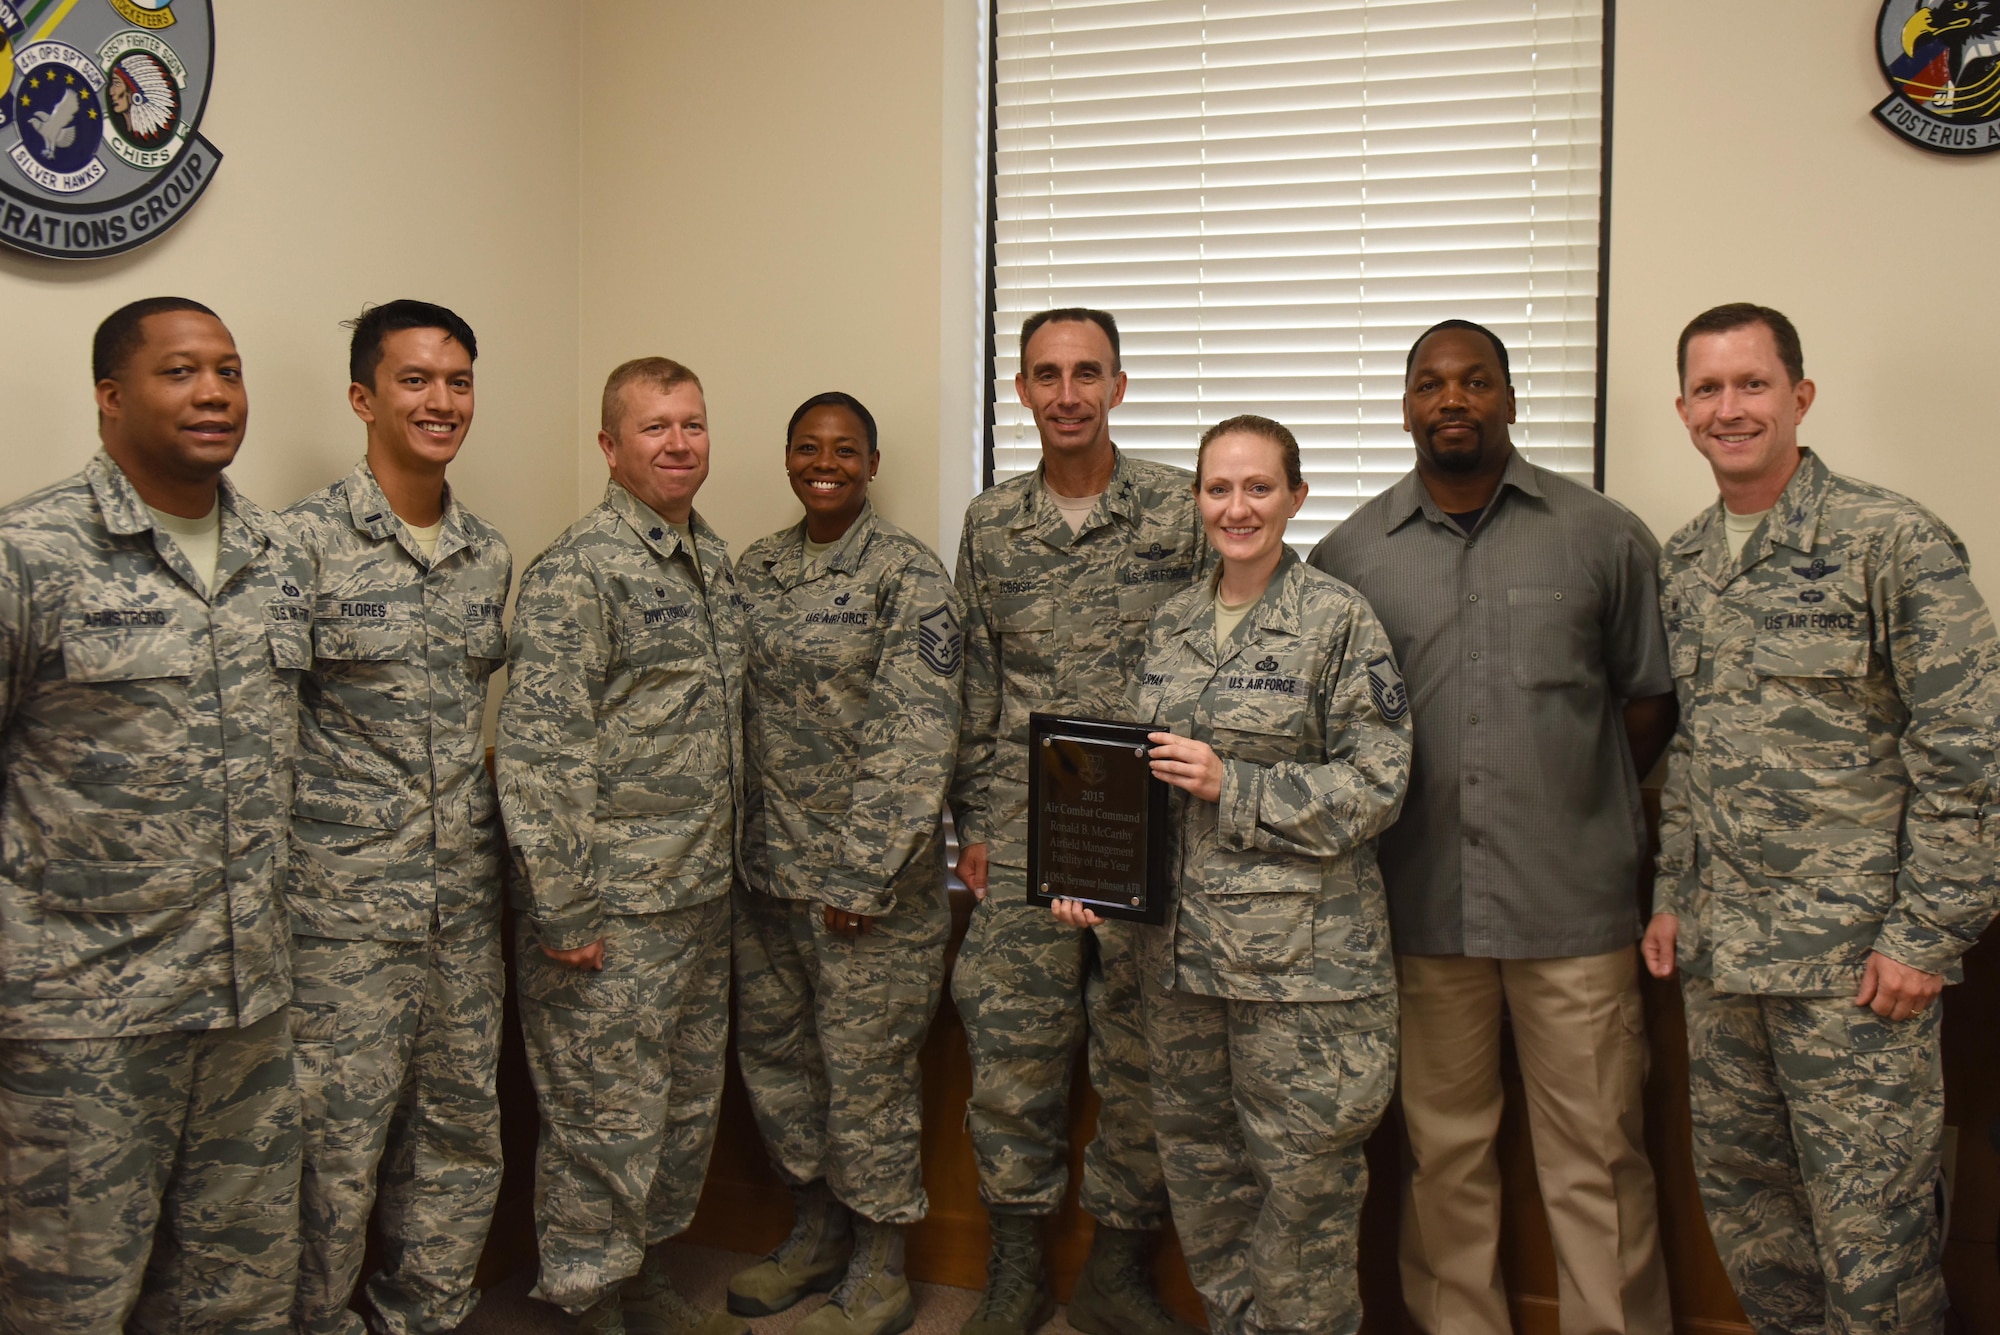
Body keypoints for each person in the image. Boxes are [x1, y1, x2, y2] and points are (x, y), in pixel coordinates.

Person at [1309, 320, 1678, 1334]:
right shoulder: (1348, 557)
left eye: (1474, 381)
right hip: (1420, 909)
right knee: (1444, 1156)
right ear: (1405, 408)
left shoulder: (1600, 536)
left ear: (1509, 398)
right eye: (1429, 385)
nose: (1451, 400)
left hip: (1573, 910)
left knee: (1598, 1158)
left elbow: (1646, 702)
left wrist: (1570, 797)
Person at [1642, 302, 2000, 1333]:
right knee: (1759, 1241)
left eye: (1750, 384)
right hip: (1725, 968)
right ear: (1680, 409)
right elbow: (1697, 744)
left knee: (1874, 1253)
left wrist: (1924, 936)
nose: (1728, 408)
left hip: (1856, 977)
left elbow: (1967, 751)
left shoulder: (1889, 542)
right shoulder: (1685, 561)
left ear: (1798, 395)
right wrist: (1672, 897)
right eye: (1706, 389)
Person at [1055, 414, 1410, 1334]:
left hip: (1301, 976)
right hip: (1177, 967)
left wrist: (1236, 784)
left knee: (1302, 1196)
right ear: (1197, 500)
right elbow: (1133, 780)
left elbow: (1379, 783)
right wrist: (1095, 877)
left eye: (1259, 488)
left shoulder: (1337, 621)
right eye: (1219, 488)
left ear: (1295, 496)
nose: (1238, 507)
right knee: (1204, 1179)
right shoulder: (1171, 624)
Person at [0, 297, 311, 1332]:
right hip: (85, 1022)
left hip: (249, 1003)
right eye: (180, 372)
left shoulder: (278, 555)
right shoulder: (30, 554)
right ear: (109, 397)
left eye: (228, 370)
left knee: (242, 1289)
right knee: (72, 1299)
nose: (214, 393)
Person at [950, 308, 1205, 1335]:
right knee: (1013, 1050)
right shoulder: (987, 525)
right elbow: (971, 680)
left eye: (1085, 373)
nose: (1066, 393)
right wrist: (969, 819)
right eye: (1046, 375)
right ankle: (1014, 1262)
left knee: (1143, 1050)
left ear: (1118, 386)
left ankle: (1118, 1265)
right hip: (1021, 826)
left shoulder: (1178, 512)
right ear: (1018, 391)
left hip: (1145, 827)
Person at [498, 357, 746, 1335]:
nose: (678, 443)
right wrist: (564, 906)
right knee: (603, 1121)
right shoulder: (580, 571)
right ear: (609, 446)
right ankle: (589, 1299)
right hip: (610, 909)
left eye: (691, 423)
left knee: (679, 1112)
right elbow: (538, 752)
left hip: (695, 892)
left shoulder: (711, 563)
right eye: (654, 427)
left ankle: (637, 1271)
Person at [284, 300, 512, 1335]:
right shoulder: (297, 548)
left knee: (460, 1135)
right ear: (362, 399)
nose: (441, 401)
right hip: (342, 916)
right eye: (415, 380)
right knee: (330, 1152)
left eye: (457, 381)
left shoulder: (486, 556)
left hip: (460, 907)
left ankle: (426, 1314)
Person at [727, 391, 963, 1335]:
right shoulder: (758, 569)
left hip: (868, 891)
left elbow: (918, 737)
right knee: (782, 1068)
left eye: (845, 449)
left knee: (865, 1077)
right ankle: (816, 1231)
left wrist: (862, 874)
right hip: (764, 875)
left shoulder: (908, 577)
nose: (825, 462)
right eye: (807, 447)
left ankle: (881, 1265)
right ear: (788, 457)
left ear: (872, 463)